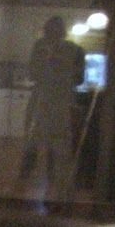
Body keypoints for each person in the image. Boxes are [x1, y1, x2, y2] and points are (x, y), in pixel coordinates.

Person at [19, 16, 85, 195]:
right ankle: (22, 181)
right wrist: (46, 59)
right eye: (49, 32)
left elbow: (79, 79)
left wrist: (61, 63)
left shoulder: (75, 50)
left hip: (62, 102)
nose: (52, 36)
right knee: (33, 139)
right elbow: (32, 73)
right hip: (41, 101)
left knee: (58, 142)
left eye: (56, 31)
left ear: (62, 33)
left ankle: (55, 183)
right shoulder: (40, 47)